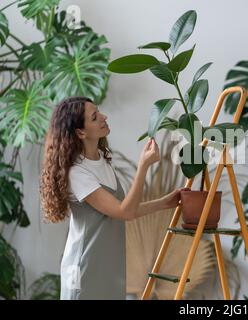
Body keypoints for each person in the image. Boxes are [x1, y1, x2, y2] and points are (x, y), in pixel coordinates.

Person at [40, 96, 188, 300]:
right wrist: (143, 165)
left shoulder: (102, 160)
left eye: (99, 111)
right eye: (95, 117)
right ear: (80, 132)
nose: (104, 117)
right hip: (86, 266)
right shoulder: (77, 173)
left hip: (109, 264)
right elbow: (124, 212)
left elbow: (122, 209)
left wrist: (164, 203)